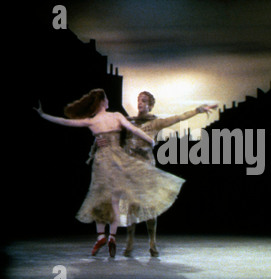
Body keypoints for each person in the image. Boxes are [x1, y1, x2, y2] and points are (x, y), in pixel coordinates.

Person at [34, 88, 184, 258]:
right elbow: (133, 130)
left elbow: (65, 122)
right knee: (116, 200)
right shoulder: (116, 116)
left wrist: (43, 115)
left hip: (101, 160)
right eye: (106, 99)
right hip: (118, 159)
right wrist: (150, 139)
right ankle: (113, 237)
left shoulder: (92, 121)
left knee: (99, 197)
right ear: (103, 102)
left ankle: (101, 236)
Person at [118, 91, 217, 256]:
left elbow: (179, 117)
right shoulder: (129, 122)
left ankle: (152, 242)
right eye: (139, 100)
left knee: (150, 206)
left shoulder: (156, 123)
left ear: (150, 105)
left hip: (147, 168)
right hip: (131, 169)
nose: (140, 103)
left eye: (144, 101)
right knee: (131, 206)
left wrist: (198, 110)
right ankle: (129, 242)